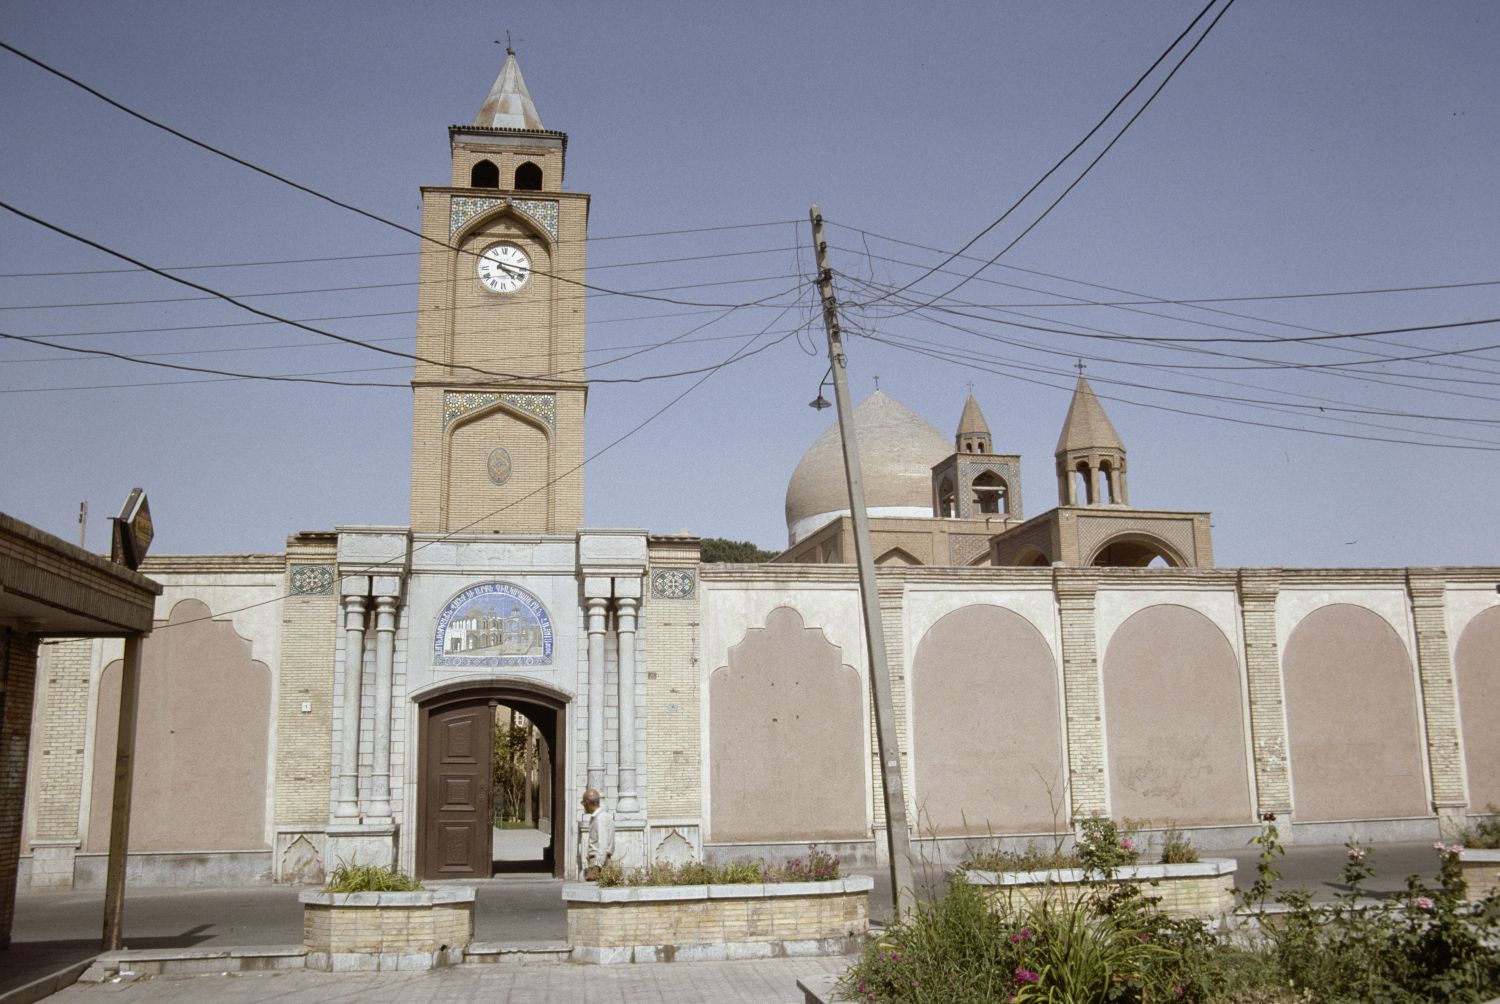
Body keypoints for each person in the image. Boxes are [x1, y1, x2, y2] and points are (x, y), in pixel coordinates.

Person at [579, 787, 614, 880]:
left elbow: (603, 844)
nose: (583, 806)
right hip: (601, 860)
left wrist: (597, 867)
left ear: (588, 802)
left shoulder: (600, 818)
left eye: (583, 803)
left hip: (597, 862)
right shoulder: (605, 816)